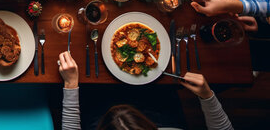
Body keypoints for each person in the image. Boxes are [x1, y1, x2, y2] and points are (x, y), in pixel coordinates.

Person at [57, 51, 234, 129]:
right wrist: (207, 96)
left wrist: (71, 84)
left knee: (91, 89)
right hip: (160, 112)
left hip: (99, 112)